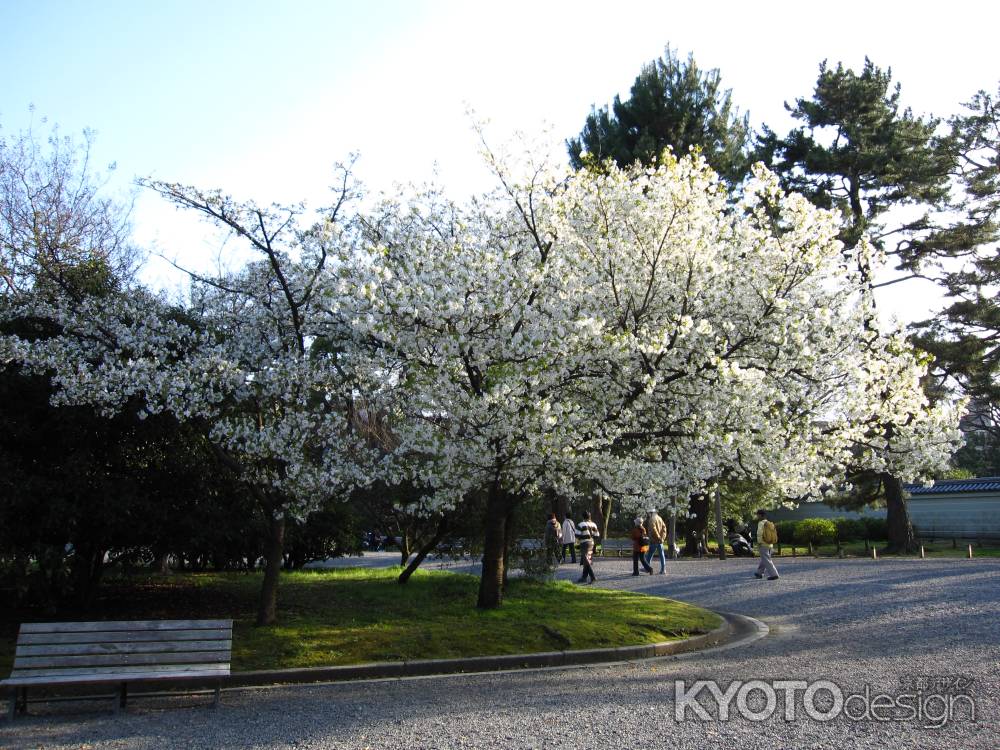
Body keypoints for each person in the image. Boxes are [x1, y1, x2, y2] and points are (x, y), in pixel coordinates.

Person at [754, 509, 780, 580]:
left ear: (760, 515)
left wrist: (759, 543)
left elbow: (759, 534)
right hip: (770, 544)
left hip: (763, 544)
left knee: (766, 559)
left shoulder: (761, 523)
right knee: (765, 559)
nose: (757, 516)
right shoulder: (769, 523)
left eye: (757, 515)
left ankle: (774, 574)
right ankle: (759, 573)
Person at [576, 512, 600, 583]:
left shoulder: (581, 524)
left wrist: (580, 539)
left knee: (586, 560)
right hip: (591, 543)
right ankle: (584, 577)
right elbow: (597, 535)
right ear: (590, 516)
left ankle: (593, 577)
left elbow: (577, 534)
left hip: (584, 543)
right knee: (586, 559)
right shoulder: (594, 524)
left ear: (583, 517)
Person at [644, 508, 668, 574]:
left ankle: (647, 568)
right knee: (662, 555)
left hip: (654, 540)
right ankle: (663, 569)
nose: (648, 514)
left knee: (649, 554)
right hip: (660, 541)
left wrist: (659, 538)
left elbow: (654, 530)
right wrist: (662, 538)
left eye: (649, 513)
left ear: (652, 513)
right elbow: (664, 528)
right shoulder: (660, 518)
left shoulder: (652, 519)